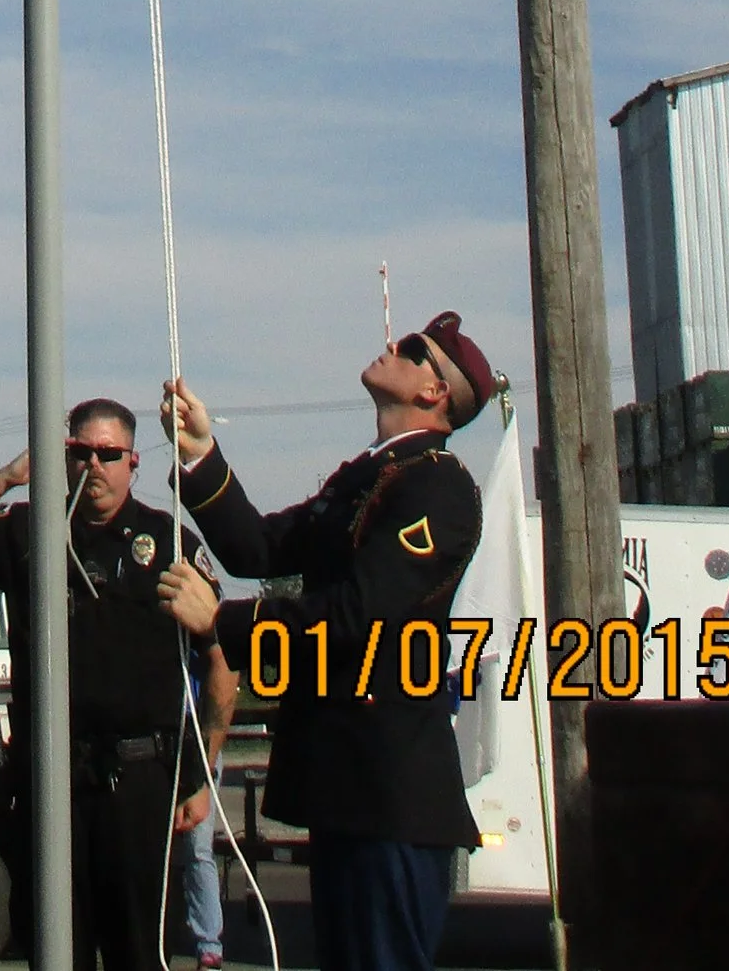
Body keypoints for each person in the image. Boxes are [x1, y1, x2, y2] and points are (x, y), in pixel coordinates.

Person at [156, 313, 498, 971]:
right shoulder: (367, 477)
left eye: (414, 349)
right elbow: (257, 547)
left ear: (435, 392)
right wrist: (200, 453)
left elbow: (358, 613)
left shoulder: (438, 484)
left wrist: (221, 622)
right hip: (349, 792)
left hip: (389, 795)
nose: (393, 344)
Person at [0, 397, 220, 971]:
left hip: (140, 781)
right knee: (54, 949)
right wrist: (9, 477)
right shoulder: (32, 532)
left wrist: (201, 773)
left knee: (139, 953)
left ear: (133, 461)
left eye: (109, 454)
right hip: (51, 781)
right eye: (81, 452)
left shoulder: (168, 542)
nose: (94, 465)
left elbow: (221, 658)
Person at [174, 634, 238, 971]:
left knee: (198, 848)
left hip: (196, 737)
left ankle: (208, 942)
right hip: (155, 735)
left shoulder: (202, 630)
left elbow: (224, 668)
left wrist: (207, 764)